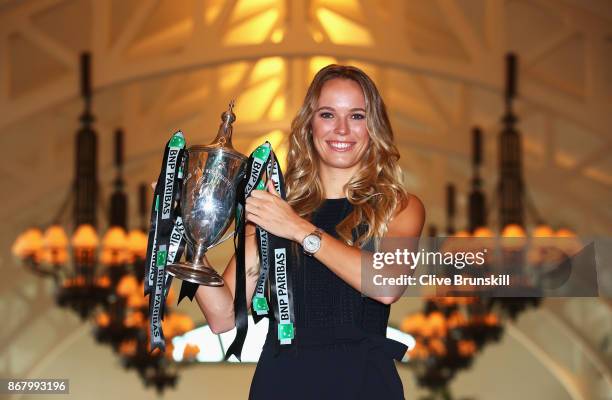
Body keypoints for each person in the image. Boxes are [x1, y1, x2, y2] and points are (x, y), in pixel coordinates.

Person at [194, 64, 425, 399]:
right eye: (328, 114)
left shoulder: (398, 206)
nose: (342, 129)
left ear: (373, 127)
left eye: (357, 116)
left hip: (362, 384)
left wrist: (297, 229)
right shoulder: (275, 209)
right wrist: (188, 240)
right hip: (282, 382)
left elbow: (386, 284)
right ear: (309, 125)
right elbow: (222, 317)